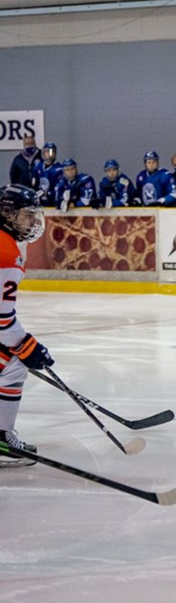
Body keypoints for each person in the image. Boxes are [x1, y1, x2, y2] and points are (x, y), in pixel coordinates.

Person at [0, 184, 55, 465]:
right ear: (7, 214)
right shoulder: (7, 253)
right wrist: (28, 347)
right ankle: (2, 439)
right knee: (14, 365)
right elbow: (2, 321)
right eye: (26, 215)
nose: (32, 222)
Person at [31, 142, 62, 207]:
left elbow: (58, 188)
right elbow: (34, 184)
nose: (50, 154)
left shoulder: (59, 169)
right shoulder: (38, 166)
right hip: (39, 201)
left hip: (52, 201)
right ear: (43, 153)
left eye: (52, 152)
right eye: (47, 152)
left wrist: (46, 193)